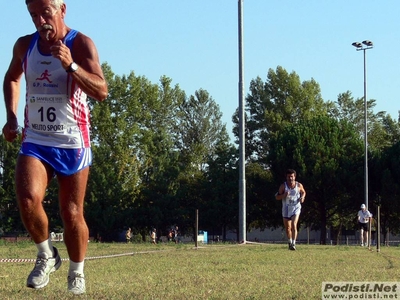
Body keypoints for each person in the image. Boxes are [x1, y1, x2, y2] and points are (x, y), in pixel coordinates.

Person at [2, 0, 108, 295]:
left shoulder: (81, 43)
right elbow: (11, 77)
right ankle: (46, 254)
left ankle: (77, 272)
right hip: (36, 140)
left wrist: (71, 65)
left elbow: (101, 90)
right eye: (33, 14)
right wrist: (11, 117)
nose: (39, 20)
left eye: (45, 12)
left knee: (72, 212)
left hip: (72, 141)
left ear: (62, 9)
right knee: (26, 199)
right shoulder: (25, 45)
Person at [275, 169, 306, 251]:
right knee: (288, 228)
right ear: (286, 177)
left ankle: (293, 243)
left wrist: (302, 197)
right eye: (289, 177)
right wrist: (283, 195)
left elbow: (303, 192)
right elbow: (277, 197)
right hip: (286, 209)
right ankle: (289, 242)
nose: (290, 178)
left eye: (292, 176)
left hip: (296, 208)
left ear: (294, 177)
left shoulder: (299, 185)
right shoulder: (283, 186)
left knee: (294, 224)